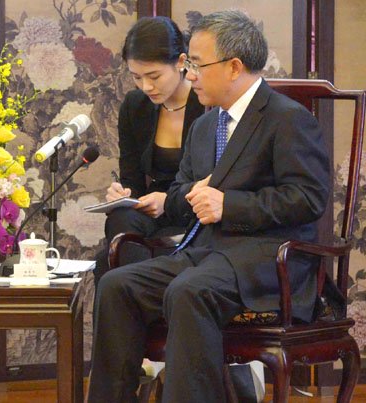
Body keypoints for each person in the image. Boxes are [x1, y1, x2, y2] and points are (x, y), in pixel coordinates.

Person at [88, 10, 330, 402]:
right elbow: (184, 193)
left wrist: (228, 204)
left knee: (189, 290)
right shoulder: (205, 126)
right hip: (206, 254)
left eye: (198, 65)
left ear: (234, 67)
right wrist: (185, 196)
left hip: (267, 263)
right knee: (118, 286)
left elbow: (308, 198)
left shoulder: (287, 119)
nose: (192, 75)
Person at [95, 16, 204, 279]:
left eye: (154, 76)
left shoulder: (205, 102)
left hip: (196, 210)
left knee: (107, 262)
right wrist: (123, 194)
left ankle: (135, 294)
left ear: (180, 62)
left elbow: (218, 181)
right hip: (152, 211)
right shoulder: (136, 106)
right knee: (121, 218)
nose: (146, 87)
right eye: (136, 77)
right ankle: (137, 291)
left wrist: (169, 202)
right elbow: (133, 180)